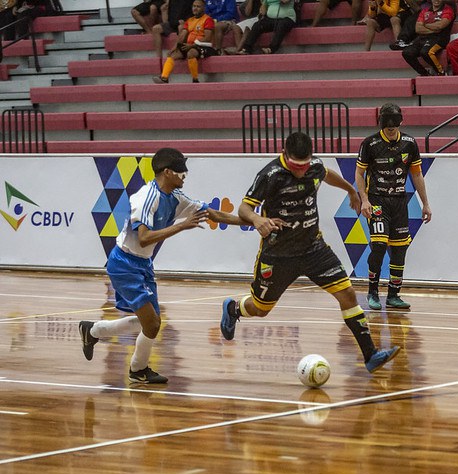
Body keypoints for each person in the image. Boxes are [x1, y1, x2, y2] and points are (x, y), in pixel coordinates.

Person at [218, 132, 401, 373]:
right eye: (296, 166)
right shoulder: (270, 174)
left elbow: (327, 174)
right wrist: (256, 219)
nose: (302, 171)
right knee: (261, 310)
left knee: (347, 293)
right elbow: (244, 207)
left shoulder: (314, 166)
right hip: (278, 255)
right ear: (284, 155)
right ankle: (233, 308)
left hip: (314, 249)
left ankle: (371, 355)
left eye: (305, 165)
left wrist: (351, 190)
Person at [79, 148, 247, 384]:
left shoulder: (176, 197)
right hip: (124, 263)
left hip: (143, 264)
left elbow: (212, 214)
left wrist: (254, 221)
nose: (184, 175)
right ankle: (137, 370)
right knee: (152, 323)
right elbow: (144, 238)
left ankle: (93, 331)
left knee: (149, 322)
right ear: (167, 172)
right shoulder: (146, 197)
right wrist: (182, 226)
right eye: (181, 172)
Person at [355, 103, 432, 310]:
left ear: (400, 122)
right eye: (386, 124)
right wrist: (364, 200)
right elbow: (359, 174)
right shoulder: (369, 143)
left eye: (394, 124)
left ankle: (393, 295)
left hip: (399, 202)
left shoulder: (409, 143)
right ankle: (372, 292)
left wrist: (425, 203)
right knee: (379, 246)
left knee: (399, 250)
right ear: (380, 122)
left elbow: (416, 174)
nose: (390, 128)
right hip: (377, 201)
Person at [153, 0, 216, 83]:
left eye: (198, 6)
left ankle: (195, 79)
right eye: (194, 6)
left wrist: (193, 45)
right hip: (190, 45)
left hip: (204, 46)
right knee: (173, 55)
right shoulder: (189, 20)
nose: (195, 8)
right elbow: (182, 35)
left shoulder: (208, 19)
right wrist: (175, 47)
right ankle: (164, 77)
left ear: (203, 8)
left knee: (191, 53)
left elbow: (207, 38)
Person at [400, 0, 453, 76]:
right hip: (423, 38)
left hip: (439, 38)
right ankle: (424, 74)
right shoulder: (425, 10)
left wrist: (425, 25)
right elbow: (418, 29)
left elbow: (440, 25)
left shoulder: (448, 10)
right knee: (407, 53)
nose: (436, 0)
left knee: (425, 52)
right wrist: (434, 29)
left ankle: (441, 72)